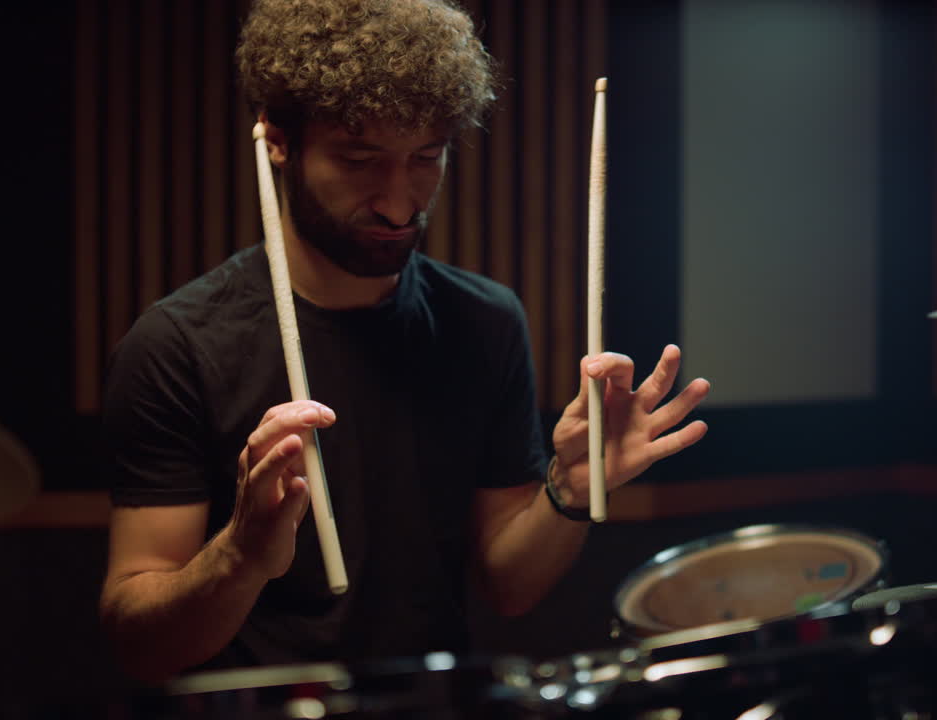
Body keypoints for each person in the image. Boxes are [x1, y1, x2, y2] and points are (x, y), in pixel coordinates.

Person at [98, 0, 710, 685]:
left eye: (426, 158)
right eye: (359, 159)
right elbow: (138, 644)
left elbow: (509, 588)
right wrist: (238, 557)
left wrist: (568, 487)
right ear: (277, 139)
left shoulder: (484, 321)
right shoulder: (177, 345)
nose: (399, 203)